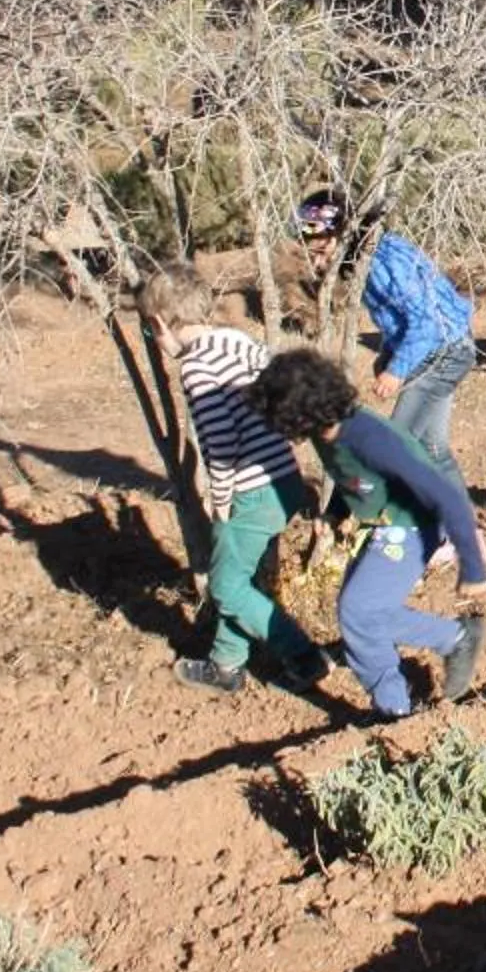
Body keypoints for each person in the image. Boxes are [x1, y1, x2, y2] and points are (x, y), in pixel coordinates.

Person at [247, 345, 486, 719]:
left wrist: (472, 567)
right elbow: (355, 479)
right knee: (360, 612)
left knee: (360, 613)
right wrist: (336, 512)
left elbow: (446, 495)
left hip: (413, 526)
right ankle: (397, 698)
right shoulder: (327, 430)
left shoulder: (369, 439)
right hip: (387, 524)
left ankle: (442, 653)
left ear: (297, 414)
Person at [133, 263, 334, 695]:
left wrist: (219, 497)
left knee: (224, 586)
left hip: (250, 490)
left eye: (152, 333)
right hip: (283, 477)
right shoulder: (239, 342)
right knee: (235, 576)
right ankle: (226, 663)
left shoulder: (197, 368)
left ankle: (303, 655)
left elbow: (219, 445)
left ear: (162, 324)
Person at [297, 189, 477, 474]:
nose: (318, 264)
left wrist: (397, 370)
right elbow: (400, 318)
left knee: (395, 446)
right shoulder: (368, 260)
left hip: (445, 351)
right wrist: (389, 355)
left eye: (321, 251)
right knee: (433, 448)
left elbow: (426, 322)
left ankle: (377, 514)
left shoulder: (383, 261)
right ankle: (455, 515)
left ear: (343, 234)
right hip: (438, 349)